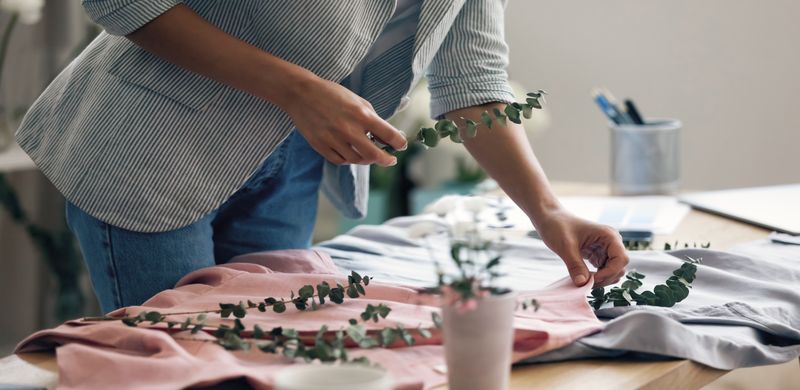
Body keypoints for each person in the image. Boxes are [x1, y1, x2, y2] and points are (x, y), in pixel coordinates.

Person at [16, 0, 628, 313]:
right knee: (182, 365)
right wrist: (296, 90)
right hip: (151, 149)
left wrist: (548, 214)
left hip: (293, 167)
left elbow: (474, 85)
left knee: (268, 360)